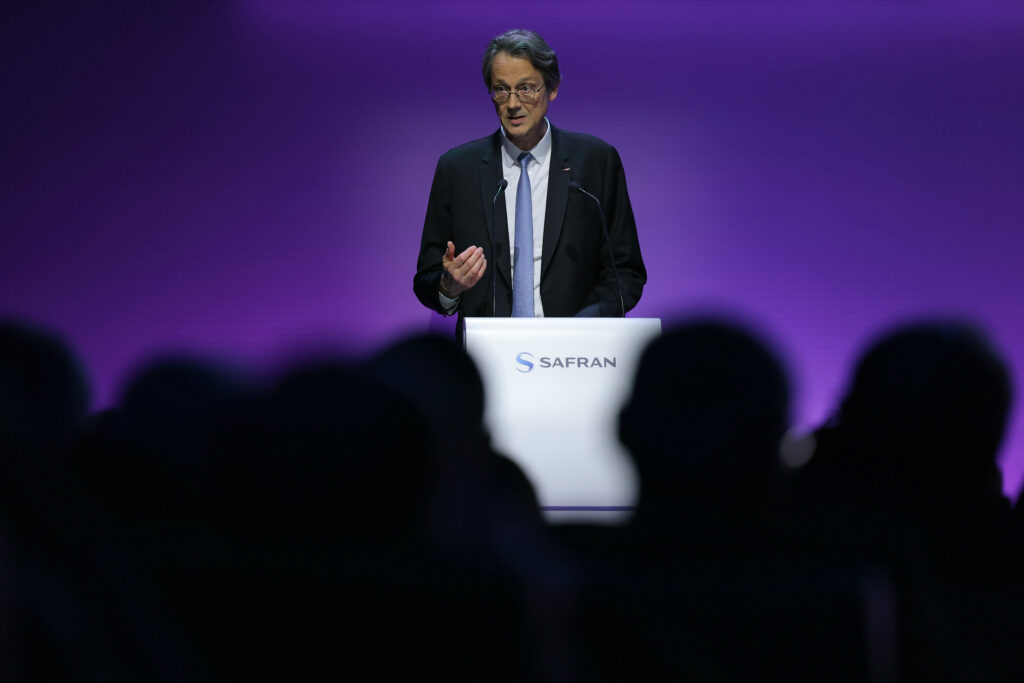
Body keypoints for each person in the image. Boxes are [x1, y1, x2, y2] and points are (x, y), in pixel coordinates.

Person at [413, 29, 646, 336]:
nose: (512, 104)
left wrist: (578, 330)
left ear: (553, 88)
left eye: (526, 89)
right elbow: (427, 279)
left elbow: (625, 273)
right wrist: (448, 287)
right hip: (486, 353)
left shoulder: (595, 161)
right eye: (501, 90)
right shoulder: (457, 169)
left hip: (574, 351)